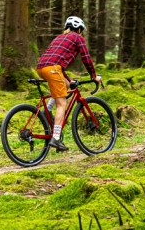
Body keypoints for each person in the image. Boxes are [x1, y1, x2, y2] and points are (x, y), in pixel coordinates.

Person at [36, 16, 102, 152]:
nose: (81, 33)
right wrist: (94, 76)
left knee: (65, 84)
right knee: (62, 104)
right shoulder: (78, 38)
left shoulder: (58, 38)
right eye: (81, 30)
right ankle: (55, 138)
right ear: (78, 29)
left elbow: (57, 63)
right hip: (53, 69)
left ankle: (48, 109)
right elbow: (86, 58)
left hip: (41, 68)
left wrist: (69, 80)